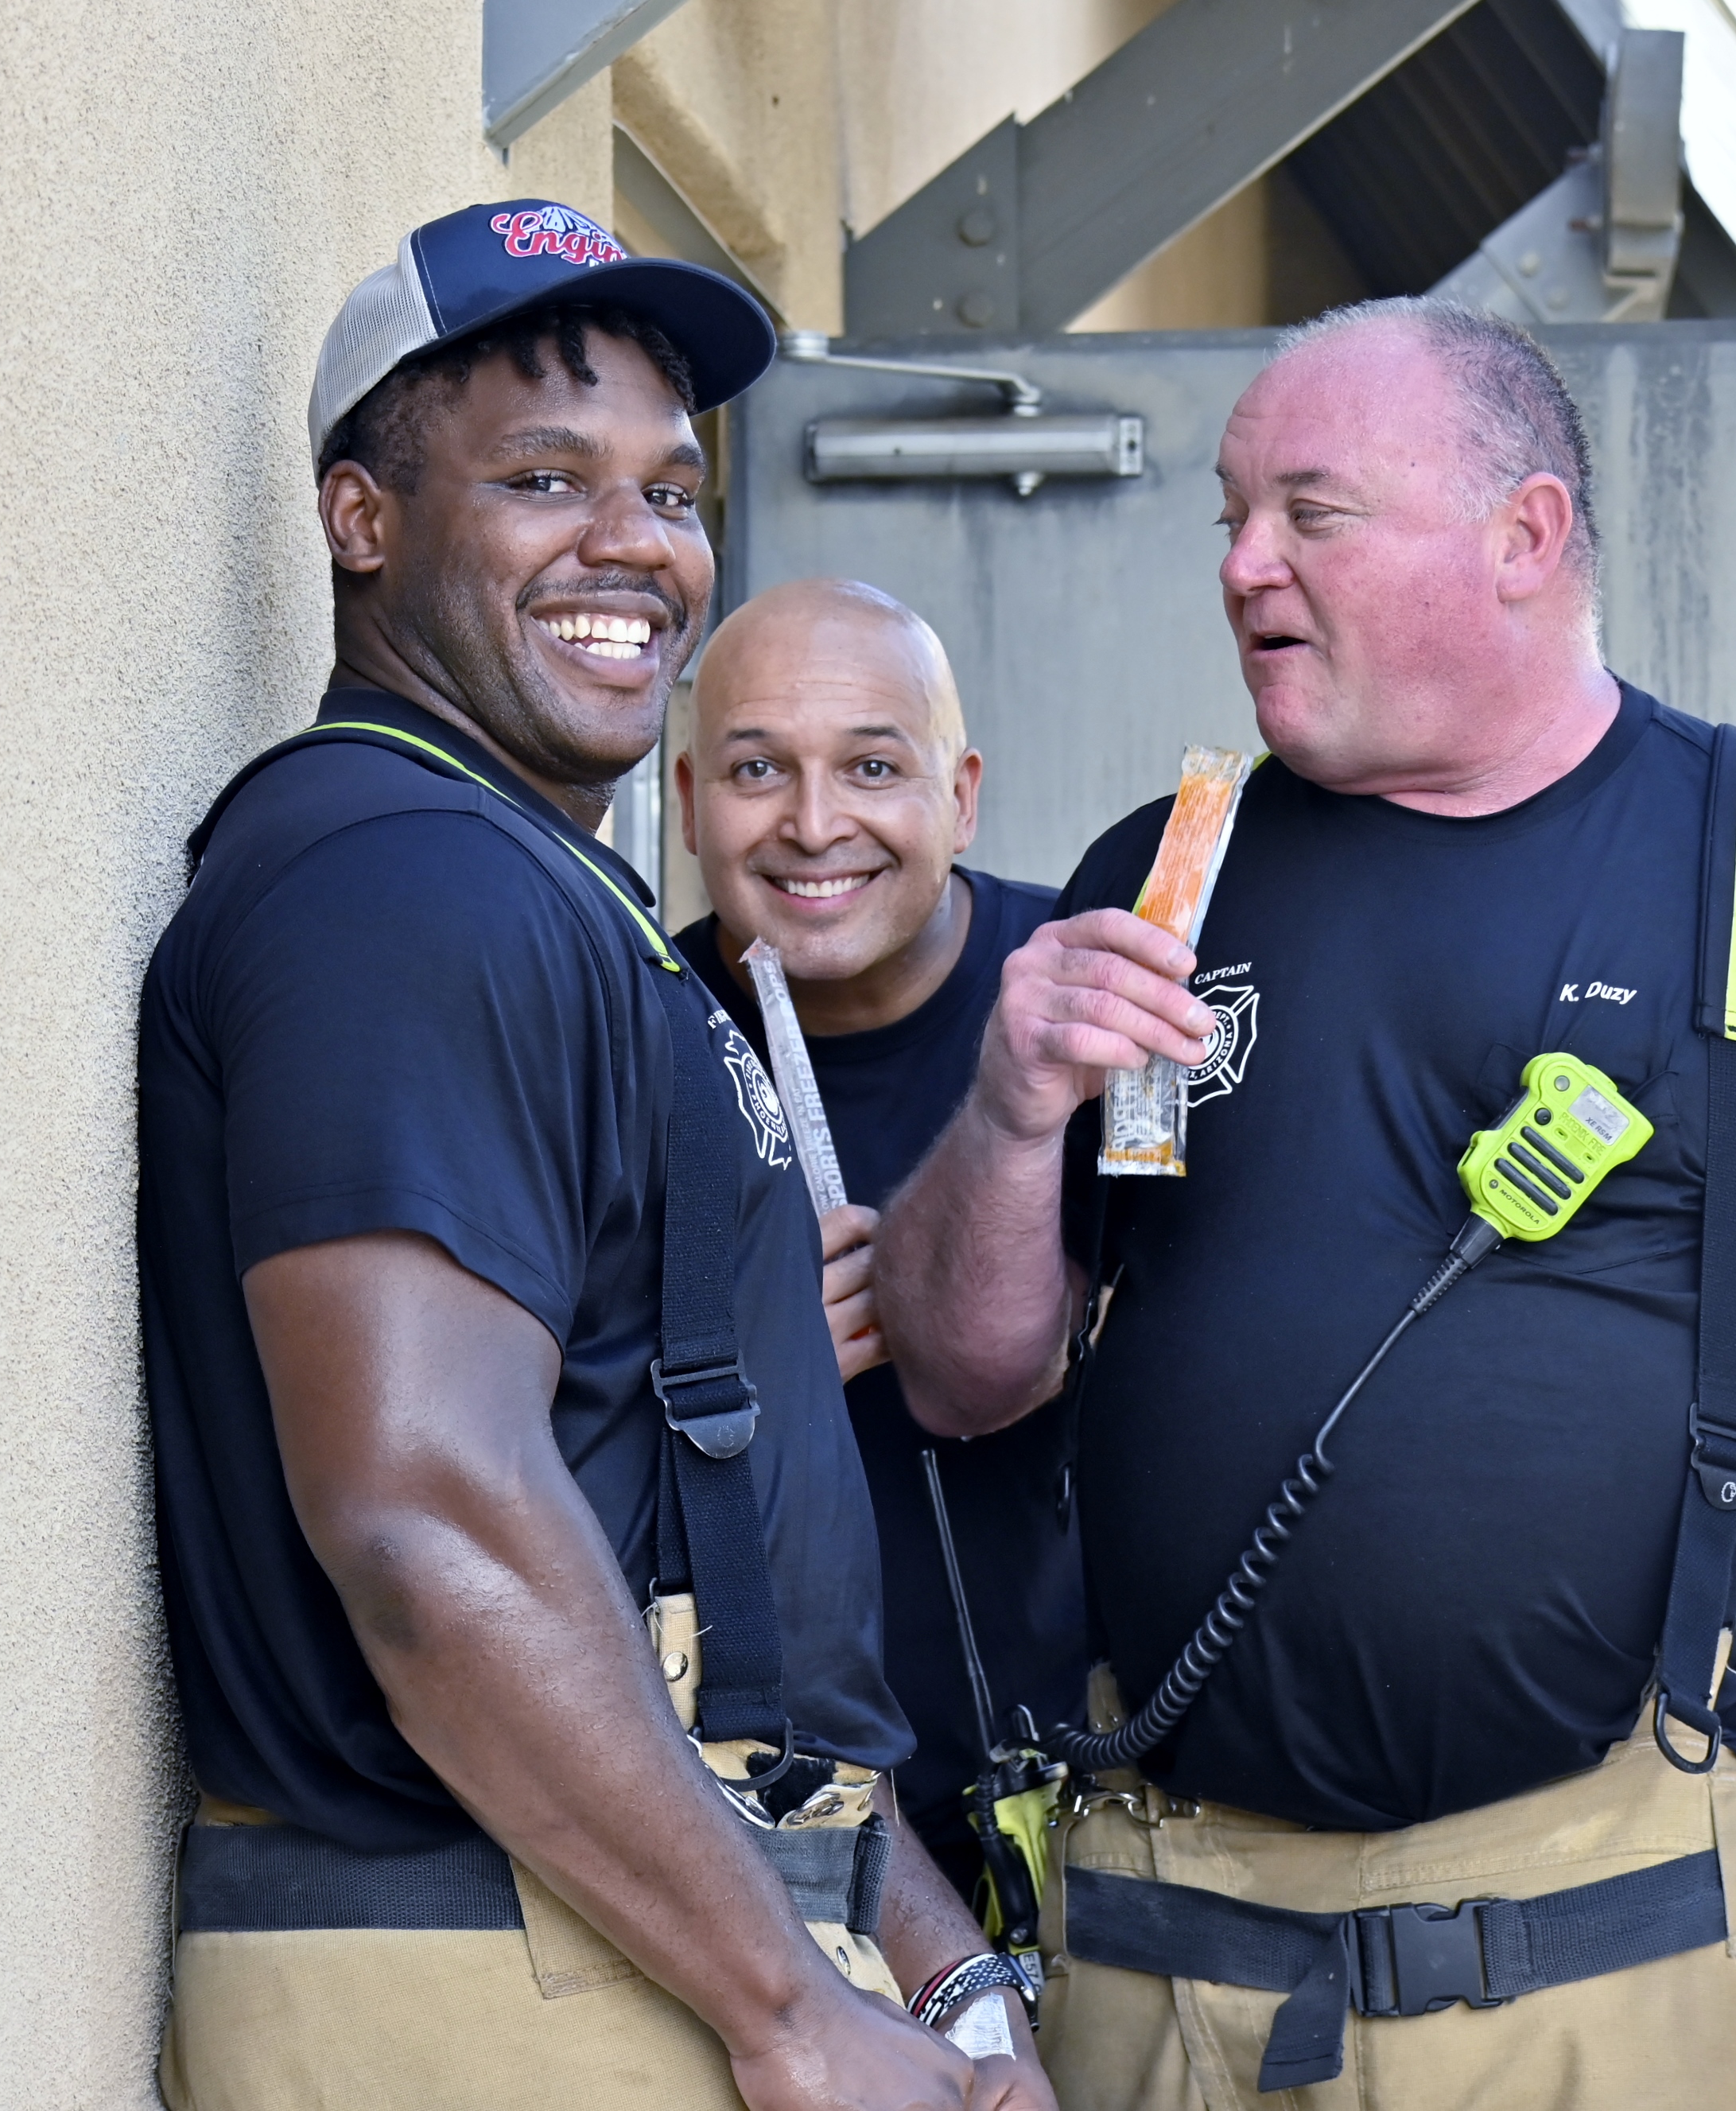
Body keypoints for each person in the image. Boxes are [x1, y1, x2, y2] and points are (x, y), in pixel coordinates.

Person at [877, 297, 1736, 2111]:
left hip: (1605, 1948)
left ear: (1523, 535)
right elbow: (965, 1378)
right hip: (1171, 1948)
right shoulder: (1160, 877)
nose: (1241, 564)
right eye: (1230, 514)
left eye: (1311, 512)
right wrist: (1002, 1107)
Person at [137, 202, 1054, 2111]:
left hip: (615, 1942)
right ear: (360, 518)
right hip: (499, 1967)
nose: (632, 543)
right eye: (544, 478)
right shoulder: (403, 880)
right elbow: (430, 1513)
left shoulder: (535, 885)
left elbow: (698, 1580)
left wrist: (934, 1971)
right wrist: (789, 2010)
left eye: (671, 489)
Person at [667, 577, 1083, 1899]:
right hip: (772, 1836)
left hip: (1123, 1806)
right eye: (756, 769)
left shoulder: (1078, 1006)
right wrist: (736, 1370)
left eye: (870, 766)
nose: (812, 823)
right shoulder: (633, 1039)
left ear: (961, 797)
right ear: (687, 803)